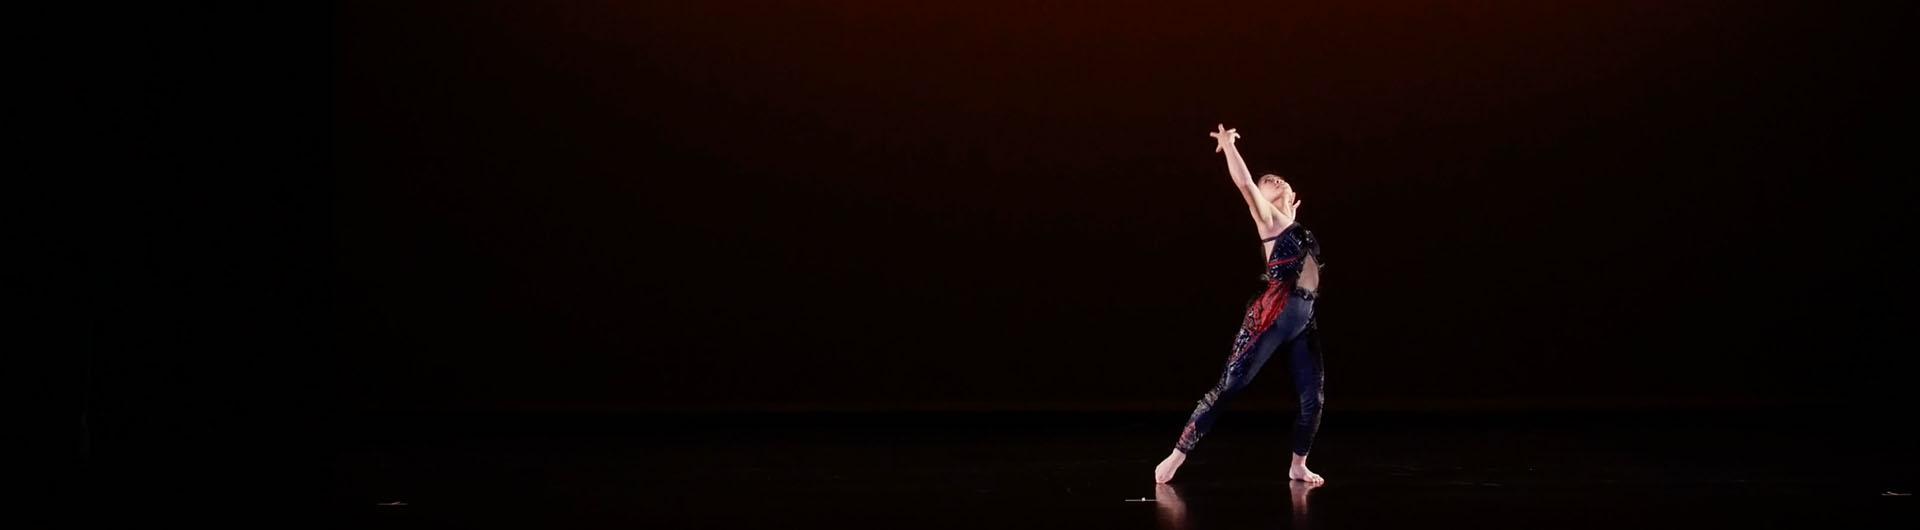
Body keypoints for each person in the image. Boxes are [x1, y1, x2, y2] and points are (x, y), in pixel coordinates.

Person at [1153, 125, 1327, 484]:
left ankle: (1298, 464)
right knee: (1230, 385)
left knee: (1314, 397)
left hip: (1303, 320)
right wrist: (1230, 147)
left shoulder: (1293, 227)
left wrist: (1289, 217)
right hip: (1273, 316)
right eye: (1270, 181)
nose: (1275, 180)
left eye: (1281, 179)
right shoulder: (1268, 220)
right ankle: (1177, 454)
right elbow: (1247, 184)